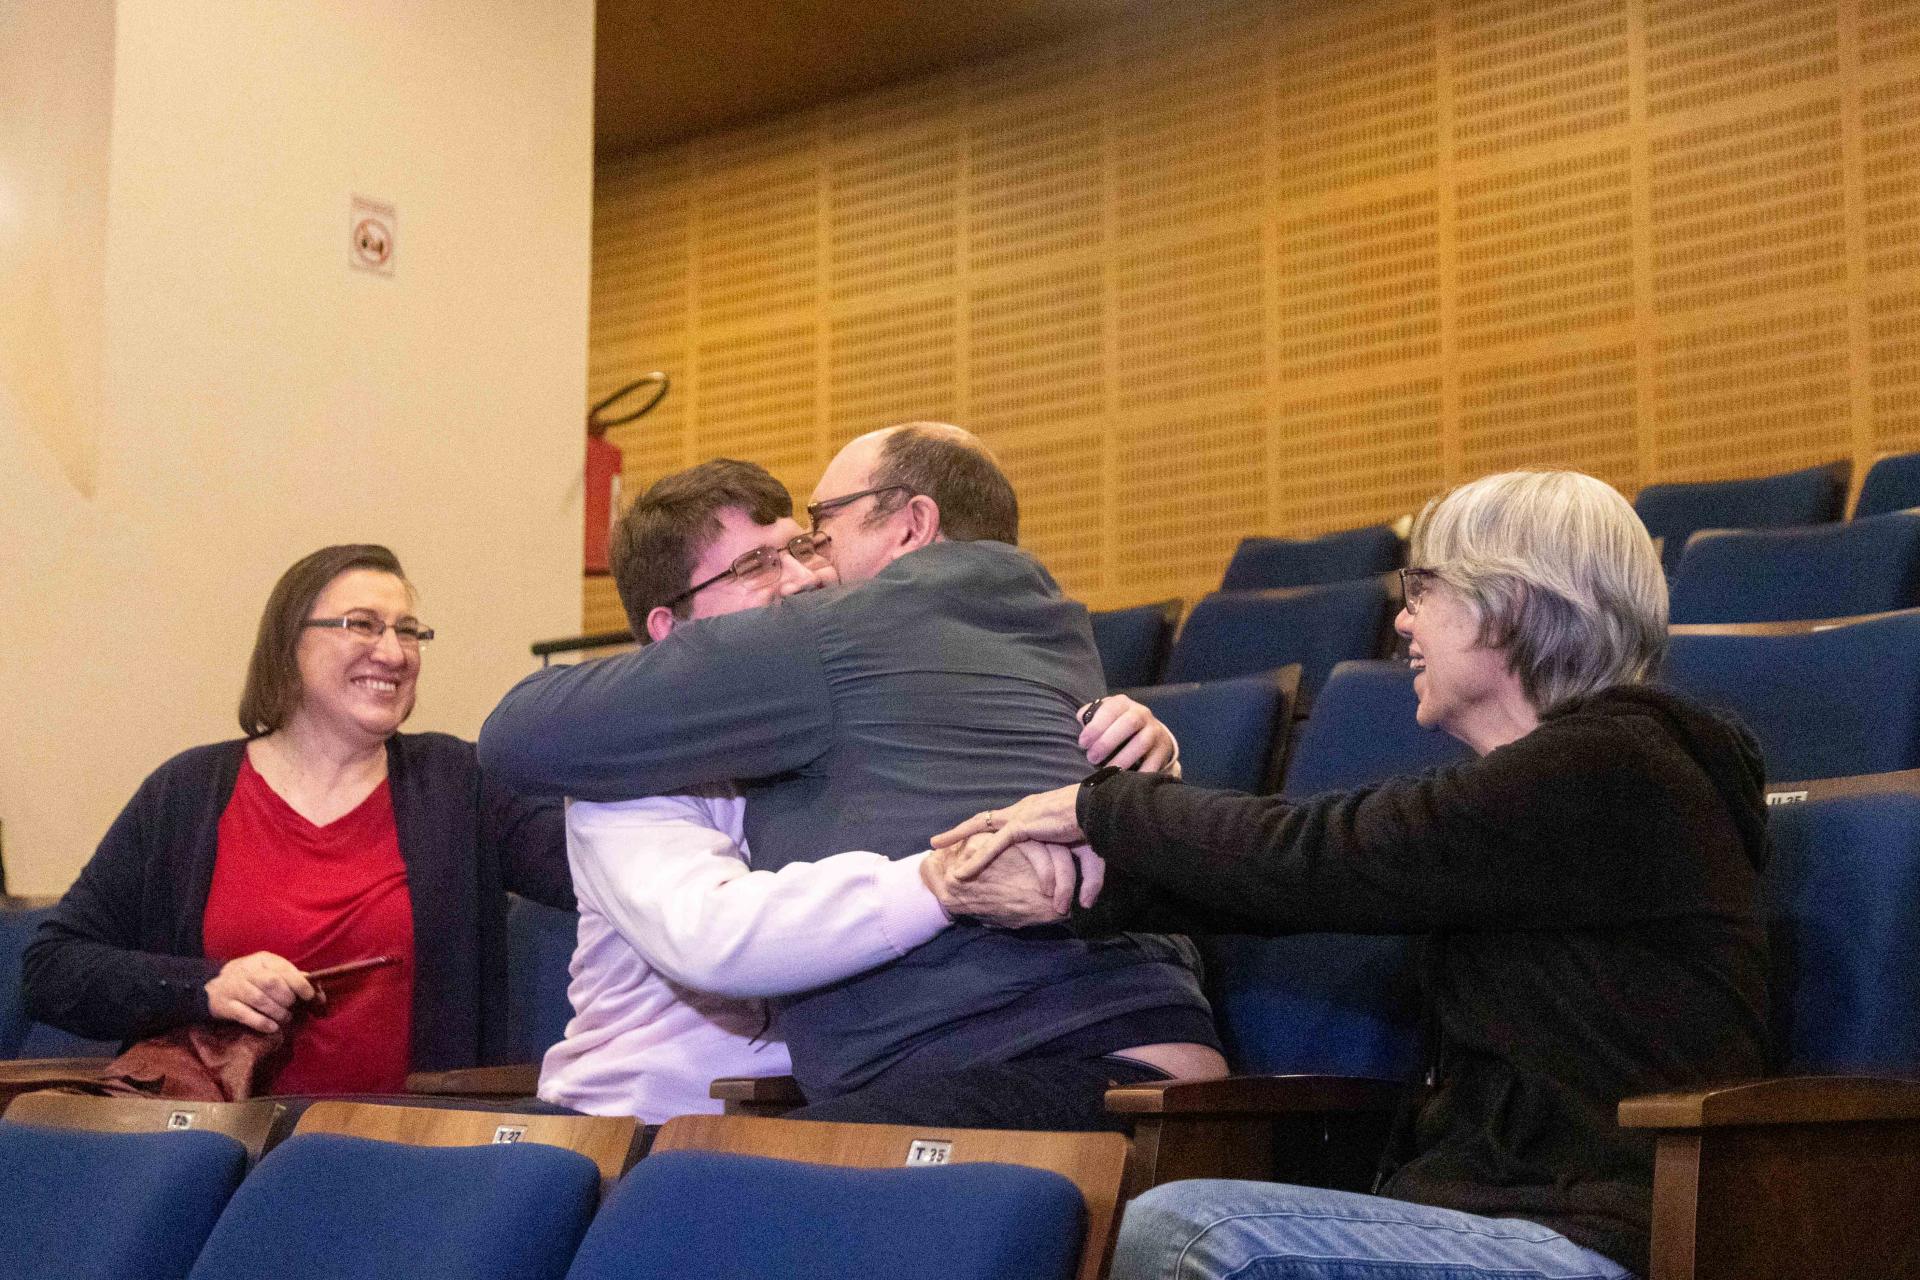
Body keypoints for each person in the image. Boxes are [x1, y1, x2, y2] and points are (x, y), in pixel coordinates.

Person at [928, 470, 1771, 1280]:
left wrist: (1101, 810)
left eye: (1424, 589)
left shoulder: (1613, 768)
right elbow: (1296, 880)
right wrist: (1081, 886)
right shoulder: (1563, 787)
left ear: (1510, 602)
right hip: (1487, 1213)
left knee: (1184, 1231)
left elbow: (1319, 855)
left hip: (1583, 1236)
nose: (1402, 621)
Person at [482, 423, 1225, 1131]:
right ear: (667, 637)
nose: (804, 577)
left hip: (960, 1068)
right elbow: (711, 933)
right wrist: (936, 881)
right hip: (638, 1118)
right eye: (756, 566)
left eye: (804, 544)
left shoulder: (868, 667)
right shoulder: (626, 767)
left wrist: (1142, 764)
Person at [24, 544, 572, 1094]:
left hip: (411, 1139)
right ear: (289, 644)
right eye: (362, 625)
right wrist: (206, 987)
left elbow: (589, 866)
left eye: (408, 631)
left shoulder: (459, 784)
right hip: (225, 1140)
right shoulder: (186, 794)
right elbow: (51, 969)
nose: (393, 653)